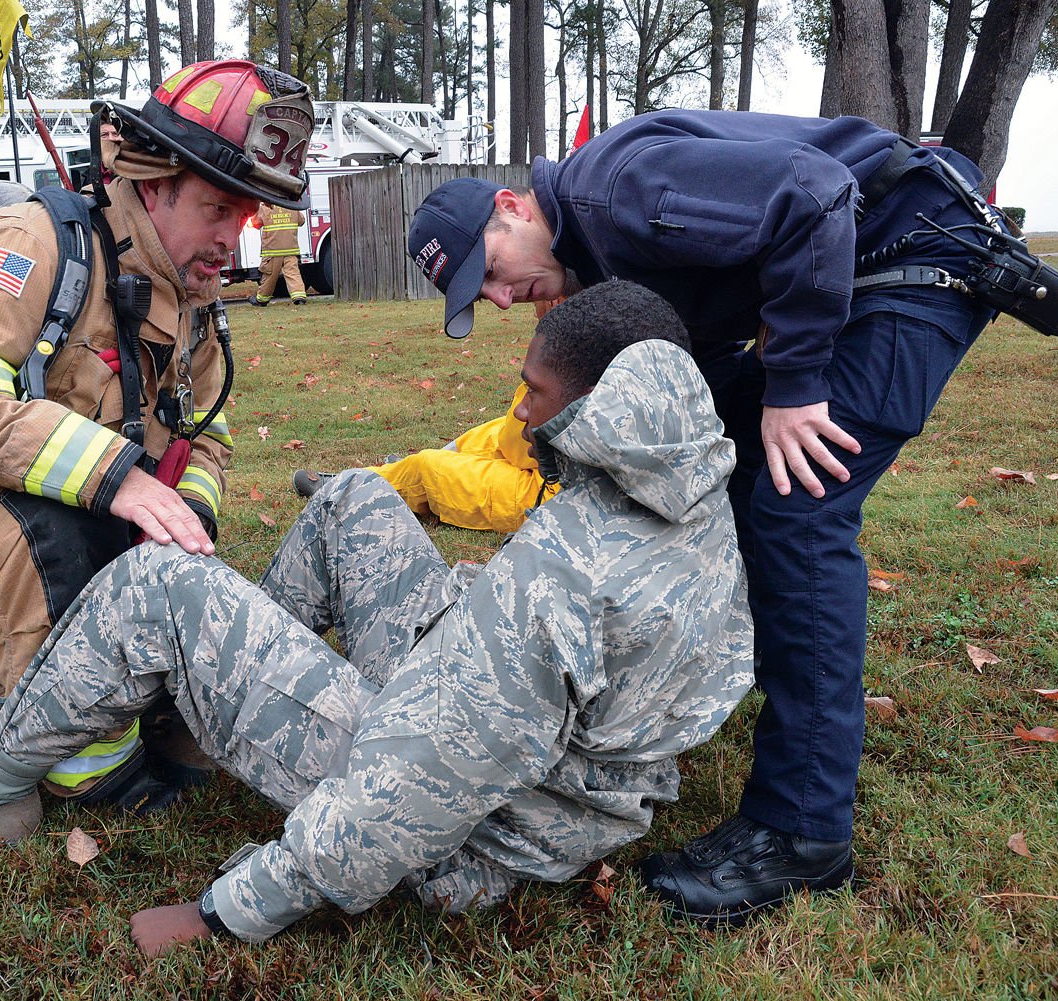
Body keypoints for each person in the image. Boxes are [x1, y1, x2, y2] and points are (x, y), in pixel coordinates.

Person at [0, 280, 754, 954]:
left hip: (479, 835)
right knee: (353, 501)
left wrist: (219, 913)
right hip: (549, 774)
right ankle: (207, 710)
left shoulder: (555, 588)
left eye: (537, 394)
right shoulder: (686, 480)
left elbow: (408, 796)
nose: (520, 409)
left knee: (156, 586)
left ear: (600, 407)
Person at [408, 109, 1008, 923]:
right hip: (855, 268)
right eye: (480, 295)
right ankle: (688, 700)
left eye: (492, 268)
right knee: (720, 480)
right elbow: (708, 359)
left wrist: (794, 384)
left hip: (913, 250)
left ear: (512, 206)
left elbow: (815, 195)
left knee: (797, 511)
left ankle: (803, 831)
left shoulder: (612, 189)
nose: (503, 295)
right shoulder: (599, 247)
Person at [0, 61, 315, 813]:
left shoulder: (191, 300)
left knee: (34, 647)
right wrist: (122, 481)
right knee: (56, 546)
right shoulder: (30, 243)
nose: (232, 240)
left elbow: (207, 435)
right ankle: (92, 770)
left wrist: (186, 520)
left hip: (48, 490)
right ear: (154, 183)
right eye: (219, 209)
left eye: (246, 218)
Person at [293, 383, 558, 534]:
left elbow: (518, 446)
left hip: (550, 494)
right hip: (560, 471)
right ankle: (401, 470)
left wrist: (532, 386)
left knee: (428, 467)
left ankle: (355, 488)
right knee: (490, 434)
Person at [247, 203, 308, 305]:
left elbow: (255, 223)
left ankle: (262, 300)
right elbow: (301, 221)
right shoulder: (291, 206)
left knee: (269, 275)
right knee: (293, 273)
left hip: (273, 250)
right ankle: (299, 297)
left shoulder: (265, 207)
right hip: (290, 249)